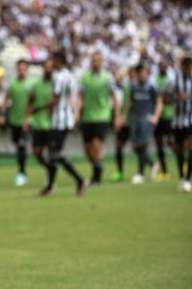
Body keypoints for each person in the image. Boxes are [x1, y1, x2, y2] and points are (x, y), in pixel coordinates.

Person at [41, 50, 85, 196]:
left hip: (60, 120)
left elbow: (55, 99)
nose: (51, 63)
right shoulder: (71, 75)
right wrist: (75, 114)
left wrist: (41, 108)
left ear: (59, 61)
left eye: (53, 60)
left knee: (55, 153)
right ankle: (50, 187)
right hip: (66, 119)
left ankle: (79, 180)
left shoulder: (58, 77)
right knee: (54, 153)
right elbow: (77, 96)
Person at [76, 52, 118, 185]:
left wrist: (117, 116)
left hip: (102, 116)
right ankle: (98, 165)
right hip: (87, 117)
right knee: (87, 149)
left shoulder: (107, 77)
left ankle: (96, 176)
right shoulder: (85, 77)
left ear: (102, 62)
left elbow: (114, 97)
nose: (96, 63)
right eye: (94, 60)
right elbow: (80, 96)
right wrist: (77, 112)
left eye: (98, 61)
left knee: (96, 144)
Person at [169, 57, 192, 193]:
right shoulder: (174, 80)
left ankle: (188, 179)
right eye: (186, 67)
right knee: (179, 151)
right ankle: (182, 176)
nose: (188, 70)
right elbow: (164, 97)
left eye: (190, 67)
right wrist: (177, 98)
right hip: (178, 120)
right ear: (181, 67)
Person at [125, 64, 162, 185]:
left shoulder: (152, 86)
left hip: (147, 118)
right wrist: (125, 116)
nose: (141, 74)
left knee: (142, 145)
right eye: (139, 72)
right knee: (135, 147)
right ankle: (152, 164)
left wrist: (156, 116)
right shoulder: (134, 86)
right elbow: (131, 101)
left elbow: (159, 102)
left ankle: (140, 174)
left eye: (143, 72)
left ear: (147, 73)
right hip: (135, 118)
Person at [0, 59, 32, 186]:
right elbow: (6, 99)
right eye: (20, 68)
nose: (22, 70)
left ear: (26, 69)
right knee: (18, 145)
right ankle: (22, 171)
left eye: (24, 68)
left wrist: (28, 119)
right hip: (14, 121)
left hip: (26, 122)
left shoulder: (30, 85)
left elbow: (33, 103)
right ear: (17, 69)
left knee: (22, 146)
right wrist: (2, 114)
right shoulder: (12, 84)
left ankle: (22, 173)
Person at [27, 60, 54, 176]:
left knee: (52, 151)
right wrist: (27, 118)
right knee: (37, 152)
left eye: (50, 67)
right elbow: (30, 101)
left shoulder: (55, 84)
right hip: (38, 122)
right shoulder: (37, 84)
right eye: (46, 67)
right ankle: (49, 168)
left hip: (51, 123)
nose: (48, 70)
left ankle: (51, 177)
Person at [153, 57, 175, 181]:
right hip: (158, 116)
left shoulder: (171, 79)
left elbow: (172, 97)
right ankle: (165, 172)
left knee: (172, 142)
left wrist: (164, 99)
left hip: (169, 115)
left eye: (164, 65)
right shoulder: (154, 79)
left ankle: (182, 164)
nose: (162, 67)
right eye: (160, 65)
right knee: (159, 144)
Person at [112, 68, 135, 182]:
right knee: (118, 146)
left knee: (137, 147)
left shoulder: (133, 87)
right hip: (125, 121)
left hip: (131, 122)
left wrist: (123, 117)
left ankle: (152, 165)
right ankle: (120, 172)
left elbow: (129, 104)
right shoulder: (124, 87)